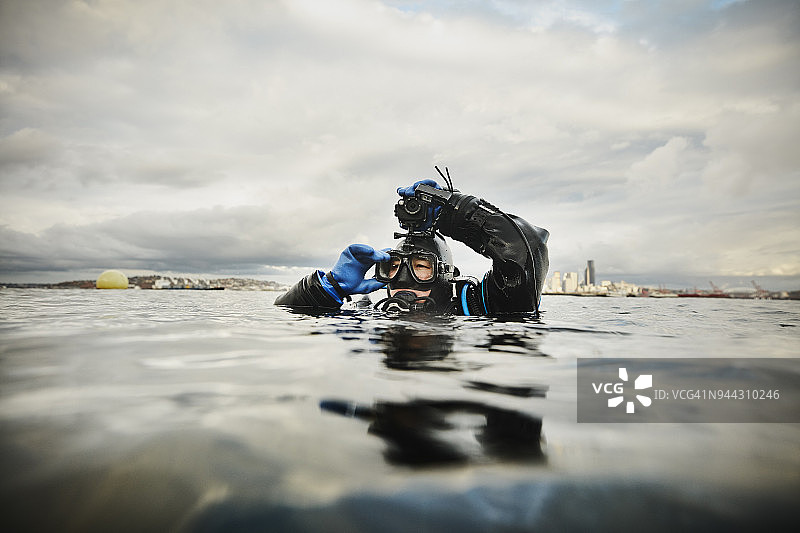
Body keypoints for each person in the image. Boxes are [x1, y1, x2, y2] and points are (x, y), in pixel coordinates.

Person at [275, 178, 549, 315]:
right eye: (392, 268)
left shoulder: (481, 307)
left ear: (446, 276)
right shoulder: (369, 314)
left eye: (421, 267)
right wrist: (328, 288)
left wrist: (454, 212)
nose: (404, 280)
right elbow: (284, 315)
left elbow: (527, 249)